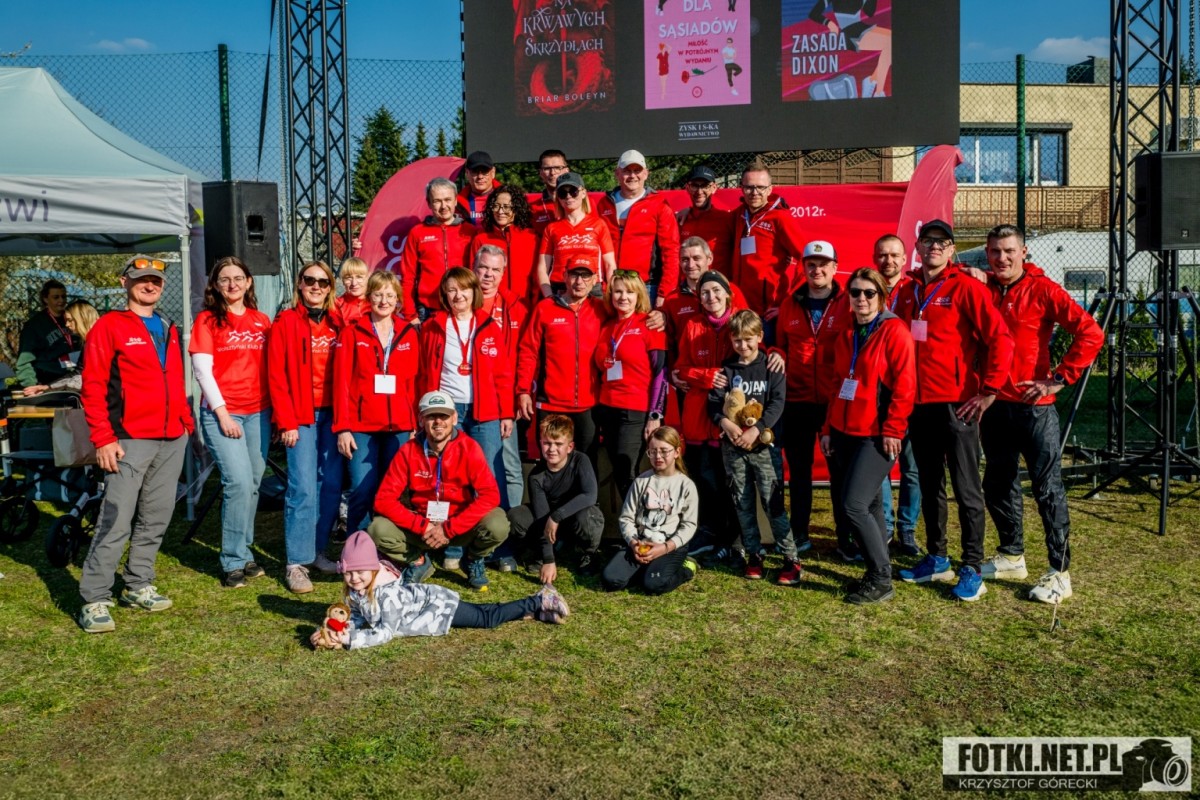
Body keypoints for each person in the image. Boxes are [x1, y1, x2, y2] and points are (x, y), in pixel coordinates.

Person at [978, 224, 1103, 604]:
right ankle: (1011, 555)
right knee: (997, 483)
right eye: (995, 251)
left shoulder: (1043, 289)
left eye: (1009, 251)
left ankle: (1059, 572)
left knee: (1047, 489)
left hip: (1035, 408)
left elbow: (1090, 332)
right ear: (987, 254)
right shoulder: (984, 288)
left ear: (1024, 252)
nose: (1002, 258)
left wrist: (1059, 378)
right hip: (995, 405)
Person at [894, 220, 1015, 602]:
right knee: (930, 483)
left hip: (956, 403)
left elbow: (1000, 338)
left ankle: (972, 566)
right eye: (928, 240)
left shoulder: (965, 287)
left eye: (942, 242)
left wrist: (990, 390)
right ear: (918, 246)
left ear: (951, 250)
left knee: (966, 488)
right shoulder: (908, 290)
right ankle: (937, 557)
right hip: (918, 403)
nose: (934, 247)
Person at [77, 255, 193, 634]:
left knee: (156, 516)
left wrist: (186, 423)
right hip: (128, 439)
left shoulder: (168, 326)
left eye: (156, 280)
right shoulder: (110, 326)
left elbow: (174, 380)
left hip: (171, 437)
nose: (150, 285)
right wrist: (103, 438)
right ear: (124, 282)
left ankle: (138, 583)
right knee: (116, 518)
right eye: (142, 278)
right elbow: (93, 386)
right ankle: (95, 597)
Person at [819, 268, 916, 604]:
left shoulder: (894, 331)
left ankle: (881, 579)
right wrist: (828, 429)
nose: (861, 299)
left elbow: (905, 386)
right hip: (844, 430)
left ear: (881, 296)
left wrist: (893, 429)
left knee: (853, 505)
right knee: (870, 503)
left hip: (876, 434)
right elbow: (837, 383)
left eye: (869, 293)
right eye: (855, 293)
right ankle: (878, 570)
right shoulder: (848, 332)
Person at [310, 531, 570, 651]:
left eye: (360, 572)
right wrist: (335, 632)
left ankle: (538, 599)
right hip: (428, 608)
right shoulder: (354, 591)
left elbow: (386, 632)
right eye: (349, 573)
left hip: (437, 607)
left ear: (373, 569)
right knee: (485, 614)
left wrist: (351, 640)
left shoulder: (386, 595)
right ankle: (540, 613)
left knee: (487, 617)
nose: (354, 578)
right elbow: (357, 617)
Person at [369, 391, 512, 592]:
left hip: (458, 526)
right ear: (421, 420)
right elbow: (383, 500)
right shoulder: (408, 451)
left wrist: (449, 529)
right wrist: (421, 526)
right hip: (422, 528)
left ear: (454, 418)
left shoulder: (469, 448)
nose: (438, 422)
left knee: (498, 524)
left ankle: (472, 559)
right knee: (377, 530)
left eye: (443, 416)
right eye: (431, 416)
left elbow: (490, 495)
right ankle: (418, 561)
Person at [189, 256, 272, 589]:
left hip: (259, 413)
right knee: (236, 482)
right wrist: (222, 413)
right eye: (225, 279)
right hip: (223, 413)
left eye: (238, 278)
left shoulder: (261, 321)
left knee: (252, 483)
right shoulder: (207, 320)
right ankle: (233, 560)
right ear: (216, 285)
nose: (232, 284)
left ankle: (245, 553)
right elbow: (202, 371)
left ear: (249, 282)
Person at [708, 310, 802, 584]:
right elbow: (713, 404)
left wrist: (756, 429)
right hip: (733, 448)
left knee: (773, 503)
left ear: (760, 337)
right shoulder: (726, 369)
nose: (743, 345)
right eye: (737, 340)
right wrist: (726, 423)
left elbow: (777, 403)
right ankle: (753, 554)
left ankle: (791, 558)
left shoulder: (771, 366)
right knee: (742, 502)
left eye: (748, 339)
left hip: (764, 449)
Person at [269, 261, 346, 593]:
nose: (316, 286)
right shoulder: (286, 321)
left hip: (333, 416)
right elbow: (276, 374)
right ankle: (296, 563)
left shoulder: (338, 323)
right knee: (302, 487)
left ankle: (317, 552)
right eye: (310, 280)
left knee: (329, 485)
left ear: (330, 288)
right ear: (300, 284)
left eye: (323, 282)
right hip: (300, 416)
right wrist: (286, 421)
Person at [776, 240, 852, 556]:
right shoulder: (790, 303)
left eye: (823, 264)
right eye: (811, 264)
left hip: (835, 401)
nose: (817, 270)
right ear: (803, 267)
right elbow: (779, 344)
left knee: (840, 473)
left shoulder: (850, 301)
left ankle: (846, 539)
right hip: (798, 400)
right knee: (799, 472)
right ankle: (799, 534)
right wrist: (776, 353)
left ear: (835, 268)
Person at [417, 267, 512, 509]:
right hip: (447, 411)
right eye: (452, 290)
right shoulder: (432, 327)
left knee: (490, 472)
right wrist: (422, 412)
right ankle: (452, 532)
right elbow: (423, 372)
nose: (458, 295)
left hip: (484, 412)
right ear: (444, 294)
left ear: (474, 291)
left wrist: (506, 414)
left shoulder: (490, 326)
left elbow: (502, 374)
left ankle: (497, 530)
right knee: (450, 472)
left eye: (464, 289)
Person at [334, 270, 419, 539]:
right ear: (369, 297)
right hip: (361, 427)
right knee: (362, 489)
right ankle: (358, 547)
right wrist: (342, 428)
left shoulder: (409, 333)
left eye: (390, 295)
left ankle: (388, 547)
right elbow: (341, 383)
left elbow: (414, 383)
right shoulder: (351, 332)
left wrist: (415, 425)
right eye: (378, 295)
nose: (384, 301)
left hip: (400, 426)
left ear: (398, 299)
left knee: (393, 492)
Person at [672, 270, 743, 560]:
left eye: (716, 290)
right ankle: (709, 533)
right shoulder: (692, 325)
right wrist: (706, 376)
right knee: (703, 479)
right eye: (704, 292)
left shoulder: (739, 321)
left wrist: (777, 352)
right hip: (698, 415)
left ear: (727, 293)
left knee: (730, 481)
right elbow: (680, 368)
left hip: (730, 418)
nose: (711, 297)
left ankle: (733, 540)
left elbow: (756, 353)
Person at [517, 254, 607, 459]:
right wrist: (523, 390)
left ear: (595, 279)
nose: (579, 281)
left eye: (586, 276)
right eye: (574, 275)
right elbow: (528, 351)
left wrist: (660, 315)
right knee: (552, 465)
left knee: (586, 464)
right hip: (551, 404)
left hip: (589, 405)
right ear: (564, 276)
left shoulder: (602, 309)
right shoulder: (545, 308)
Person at [593, 271, 668, 502]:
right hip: (606, 407)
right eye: (618, 291)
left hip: (634, 409)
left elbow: (660, 373)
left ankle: (641, 521)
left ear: (639, 295)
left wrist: (655, 414)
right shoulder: (606, 327)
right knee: (618, 469)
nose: (623, 297)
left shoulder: (649, 325)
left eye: (629, 292)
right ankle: (633, 521)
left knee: (627, 469)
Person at [601, 426, 700, 594]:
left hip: (669, 545)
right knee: (611, 580)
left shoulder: (686, 485)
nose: (658, 456)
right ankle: (647, 568)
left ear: (677, 452)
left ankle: (686, 569)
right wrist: (633, 543)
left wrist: (666, 547)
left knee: (653, 585)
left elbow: (689, 525)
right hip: (642, 543)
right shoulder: (641, 481)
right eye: (653, 451)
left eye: (664, 451)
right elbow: (626, 518)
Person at [507, 414, 605, 582]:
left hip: (572, 516)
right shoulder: (536, 476)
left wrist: (557, 516)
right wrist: (548, 559)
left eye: (558, 444)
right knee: (516, 516)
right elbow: (541, 517)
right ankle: (544, 550)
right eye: (547, 443)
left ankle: (588, 553)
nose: (552, 449)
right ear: (540, 443)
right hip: (549, 521)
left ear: (570, 447)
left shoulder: (581, 460)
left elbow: (590, 495)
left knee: (589, 516)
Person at [872, 233, 920, 556]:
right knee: (882, 465)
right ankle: (885, 529)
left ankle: (907, 530)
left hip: (912, 389)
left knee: (911, 466)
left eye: (894, 255)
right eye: (882, 255)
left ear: (904, 259)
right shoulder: (868, 291)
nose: (888, 260)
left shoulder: (916, 290)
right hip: (878, 391)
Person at [474, 245, 529, 512]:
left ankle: (512, 524)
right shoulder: (461, 302)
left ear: (503, 273)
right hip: (469, 397)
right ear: (474, 268)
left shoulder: (515, 307)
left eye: (495, 269)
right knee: (471, 464)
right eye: (484, 267)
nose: (489, 275)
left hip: (502, 397)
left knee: (508, 464)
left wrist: (520, 392)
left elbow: (525, 354)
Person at [596, 149, 680, 307]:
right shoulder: (603, 205)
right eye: (627, 171)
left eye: (637, 171)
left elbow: (671, 251)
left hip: (646, 287)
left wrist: (665, 292)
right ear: (617, 174)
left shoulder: (659, 205)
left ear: (646, 173)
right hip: (611, 287)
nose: (632, 176)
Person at [728, 159, 803, 319]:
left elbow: (806, 257)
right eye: (749, 187)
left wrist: (791, 301)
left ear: (770, 189)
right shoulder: (738, 215)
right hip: (739, 307)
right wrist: (687, 211)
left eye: (760, 187)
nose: (754, 192)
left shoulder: (780, 218)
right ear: (741, 188)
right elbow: (713, 221)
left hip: (767, 311)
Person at [399, 177, 476, 323]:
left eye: (447, 200)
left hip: (463, 306)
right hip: (428, 310)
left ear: (455, 201)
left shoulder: (470, 232)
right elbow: (407, 277)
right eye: (437, 201)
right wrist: (410, 314)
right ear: (428, 203)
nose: (443, 206)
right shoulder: (417, 233)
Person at [536, 171, 617, 299]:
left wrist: (612, 293)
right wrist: (549, 296)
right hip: (560, 287)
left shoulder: (599, 224)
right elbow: (542, 267)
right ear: (558, 197)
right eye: (563, 193)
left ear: (583, 193)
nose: (568, 196)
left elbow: (610, 264)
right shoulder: (551, 228)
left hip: (592, 287)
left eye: (573, 191)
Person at [469, 184, 537, 304]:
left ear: (516, 208)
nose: (500, 211)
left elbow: (537, 278)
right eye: (496, 206)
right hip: (490, 307)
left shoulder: (532, 238)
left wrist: (534, 305)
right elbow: (473, 278)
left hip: (524, 306)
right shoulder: (480, 240)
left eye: (506, 207)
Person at [21, 300, 99, 395]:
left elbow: (81, 380)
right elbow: (78, 373)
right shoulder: (89, 341)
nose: (67, 324)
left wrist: (49, 391)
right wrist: (48, 387)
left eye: (70, 320)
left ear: (82, 319)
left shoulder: (98, 342)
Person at [16, 278, 80, 388]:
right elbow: (24, 361)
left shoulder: (72, 319)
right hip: (49, 379)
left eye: (64, 296)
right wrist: (30, 385)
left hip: (73, 376)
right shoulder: (34, 325)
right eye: (56, 297)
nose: (61, 300)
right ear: (45, 299)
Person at [676, 165, 733, 274]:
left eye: (705, 186)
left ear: (714, 188)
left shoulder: (727, 219)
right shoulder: (680, 220)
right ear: (687, 188)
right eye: (694, 186)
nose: (699, 191)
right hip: (687, 283)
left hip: (717, 283)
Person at [531, 149, 569, 235]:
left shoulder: (582, 202)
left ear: (566, 170)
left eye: (557, 168)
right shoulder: (532, 209)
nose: (552, 173)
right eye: (547, 169)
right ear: (540, 173)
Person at [456, 150, 500, 225]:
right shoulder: (457, 204)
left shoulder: (509, 199)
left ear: (493, 172)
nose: (480, 176)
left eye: (485, 171)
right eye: (475, 171)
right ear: (467, 173)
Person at [334, 256, 370, 327]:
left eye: (359, 277)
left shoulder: (376, 302)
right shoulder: (336, 305)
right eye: (348, 278)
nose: (354, 283)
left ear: (367, 279)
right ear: (343, 281)